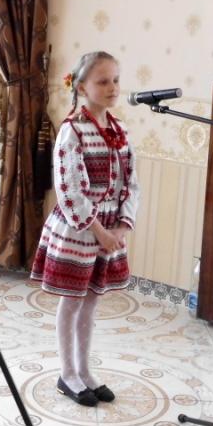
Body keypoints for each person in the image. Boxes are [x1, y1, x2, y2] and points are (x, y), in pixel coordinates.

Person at [30, 51, 141, 406]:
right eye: (103, 81)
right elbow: (69, 190)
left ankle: (85, 370)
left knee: (91, 301)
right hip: (81, 231)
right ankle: (67, 373)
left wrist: (121, 228)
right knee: (73, 301)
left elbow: (131, 184)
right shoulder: (72, 131)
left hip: (109, 231)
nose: (112, 88)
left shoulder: (120, 131)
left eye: (115, 80)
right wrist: (100, 232)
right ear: (81, 87)